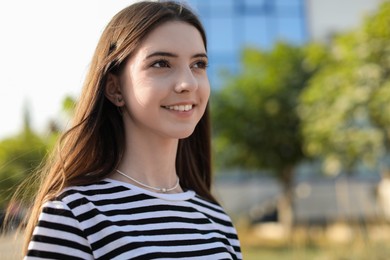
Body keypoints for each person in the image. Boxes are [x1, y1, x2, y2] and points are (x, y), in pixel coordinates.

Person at [20, 1, 242, 259]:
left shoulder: (217, 221)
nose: (188, 83)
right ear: (115, 88)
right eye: (161, 63)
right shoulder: (75, 213)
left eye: (198, 65)